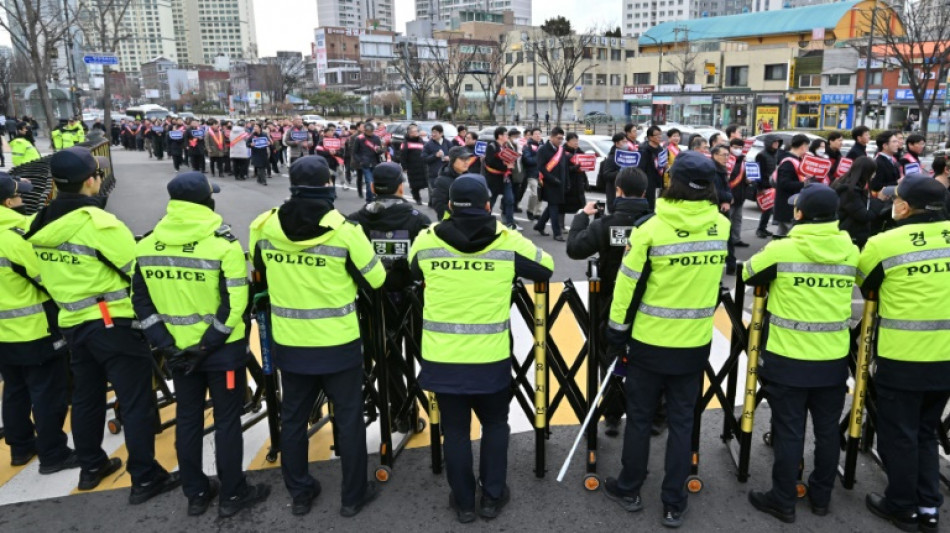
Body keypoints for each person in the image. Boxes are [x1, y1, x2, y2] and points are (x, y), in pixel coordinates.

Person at [25, 147, 181, 503]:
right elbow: (136, 272)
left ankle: (91, 466)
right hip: (114, 325)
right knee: (137, 402)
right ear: (91, 181)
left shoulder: (42, 222)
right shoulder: (100, 224)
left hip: (73, 323)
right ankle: (144, 477)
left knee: (87, 399)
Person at [409, 173, 554, 523]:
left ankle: (462, 502)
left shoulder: (427, 241)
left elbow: (409, 272)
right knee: (495, 424)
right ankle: (491, 497)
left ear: (447, 207)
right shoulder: (506, 241)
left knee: (455, 431)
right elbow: (545, 269)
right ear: (489, 205)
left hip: (442, 355)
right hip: (489, 356)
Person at [249, 156, 386, 518]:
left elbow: (259, 268)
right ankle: (352, 496)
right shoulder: (343, 231)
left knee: (292, 419)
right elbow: (377, 278)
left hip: (291, 343)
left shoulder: (263, 227)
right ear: (328, 183)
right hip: (338, 344)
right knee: (349, 417)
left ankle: (300, 493)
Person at [603, 151, 729, 528]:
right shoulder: (720, 226)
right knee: (681, 421)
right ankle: (674, 501)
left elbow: (626, 288)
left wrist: (615, 334)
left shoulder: (650, 229)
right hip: (694, 343)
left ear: (670, 182)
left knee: (639, 417)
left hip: (649, 343)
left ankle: (630, 486)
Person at [132, 172, 270, 518]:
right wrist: (207, 344)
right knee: (226, 421)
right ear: (207, 202)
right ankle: (233, 494)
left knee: (188, 418)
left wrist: (167, 345)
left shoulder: (146, 245)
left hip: (177, 354)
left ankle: (195, 493)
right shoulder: (222, 244)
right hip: (220, 353)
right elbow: (237, 304)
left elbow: (141, 304)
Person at [743, 184, 859, 524]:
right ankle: (821, 497)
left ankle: (783, 500)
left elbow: (749, 273)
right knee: (827, 432)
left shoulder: (782, 249)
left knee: (790, 431)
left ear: (799, 214)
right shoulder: (850, 250)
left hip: (787, 358)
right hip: (833, 359)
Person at [858, 175, 950, 533]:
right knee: (926, 431)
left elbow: (865, 283)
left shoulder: (884, 243)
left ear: (905, 206)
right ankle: (929, 507)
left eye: (896, 198)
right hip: (946, 358)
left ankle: (901, 506)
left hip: (904, 357)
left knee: (900, 433)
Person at [0, 174, 77, 474]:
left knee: (15, 388)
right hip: (33, 329)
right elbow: (47, 279)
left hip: (3, 334)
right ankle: (53, 453)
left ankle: (21, 447)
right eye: (20, 198)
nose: (24, 202)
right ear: (8, 202)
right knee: (47, 392)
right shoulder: (14, 238)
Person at [566, 167, 652, 437]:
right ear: (645, 193)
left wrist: (582, 216)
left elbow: (575, 248)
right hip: (648, 300)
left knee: (610, 357)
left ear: (618, 191)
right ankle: (653, 414)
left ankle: (612, 415)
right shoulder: (654, 224)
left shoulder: (606, 224)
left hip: (609, 300)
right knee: (648, 358)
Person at [347, 162, 432, 428]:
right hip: (411, 298)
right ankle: (427, 408)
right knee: (418, 352)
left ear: (372, 187)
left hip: (371, 298)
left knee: (385, 355)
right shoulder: (418, 220)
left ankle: (399, 411)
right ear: (401, 187)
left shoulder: (354, 221)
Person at [831, 156, 881, 248]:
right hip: (850, 236)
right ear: (867, 172)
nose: (874, 175)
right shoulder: (850, 191)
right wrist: (879, 200)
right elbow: (864, 215)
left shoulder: (847, 184)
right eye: (873, 172)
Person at [534, 126, 568, 242]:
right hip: (549, 183)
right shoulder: (543, 149)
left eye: (562, 139)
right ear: (551, 137)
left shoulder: (561, 150)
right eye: (558, 138)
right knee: (554, 207)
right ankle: (557, 233)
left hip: (560, 183)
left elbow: (565, 168)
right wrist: (552, 179)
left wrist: (566, 182)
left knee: (552, 207)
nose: (560, 141)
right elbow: (541, 167)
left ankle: (540, 225)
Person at [774, 134, 811, 237]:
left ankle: (774, 252)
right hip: (788, 205)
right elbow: (784, 183)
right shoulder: (788, 162)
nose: (807, 150)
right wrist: (804, 184)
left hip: (790, 204)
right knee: (790, 235)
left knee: (781, 235)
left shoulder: (795, 159)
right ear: (803, 146)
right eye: (807, 147)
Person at [483, 126, 519, 230]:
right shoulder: (492, 146)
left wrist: (511, 163)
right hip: (494, 178)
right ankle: (485, 220)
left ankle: (510, 222)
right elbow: (490, 162)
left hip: (505, 178)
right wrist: (505, 166)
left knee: (510, 200)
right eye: (506, 134)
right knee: (491, 200)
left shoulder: (506, 146)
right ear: (500, 136)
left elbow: (510, 159)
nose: (507, 136)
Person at [711, 145, 737, 274]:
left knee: (728, 235)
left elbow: (726, 188)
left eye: (728, 155)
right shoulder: (712, 169)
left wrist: (729, 198)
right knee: (722, 236)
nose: (726, 158)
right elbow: (715, 190)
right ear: (715, 155)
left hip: (723, 205)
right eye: (724, 155)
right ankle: (729, 263)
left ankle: (731, 263)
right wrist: (727, 198)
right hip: (716, 207)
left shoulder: (721, 168)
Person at [432, 146, 476, 221]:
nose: (466, 162)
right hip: (451, 222)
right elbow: (439, 207)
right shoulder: (442, 180)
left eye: (468, 159)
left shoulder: (470, 177)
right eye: (462, 159)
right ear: (452, 160)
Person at [755, 135, 782, 238]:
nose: (777, 144)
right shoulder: (761, 155)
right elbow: (759, 172)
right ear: (769, 143)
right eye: (774, 142)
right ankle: (760, 229)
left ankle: (763, 228)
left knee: (769, 209)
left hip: (773, 184)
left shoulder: (775, 154)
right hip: (765, 185)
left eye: (778, 142)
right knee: (766, 208)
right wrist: (760, 187)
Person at [422, 125, 452, 207]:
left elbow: (455, 155)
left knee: (445, 194)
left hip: (446, 173)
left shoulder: (448, 143)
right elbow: (424, 158)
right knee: (434, 193)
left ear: (441, 133)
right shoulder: (428, 145)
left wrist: (449, 158)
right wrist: (435, 155)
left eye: (435, 132)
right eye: (432, 132)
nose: (433, 134)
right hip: (433, 174)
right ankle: (432, 204)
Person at [399, 124, 429, 205]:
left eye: (417, 131)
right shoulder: (405, 143)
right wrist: (404, 167)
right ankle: (417, 198)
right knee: (415, 185)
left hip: (422, 166)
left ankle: (431, 201)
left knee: (427, 183)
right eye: (415, 131)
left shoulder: (421, 141)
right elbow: (402, 156)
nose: (417, 133)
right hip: (412, 167)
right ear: (410, 133)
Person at [355, 122, 384, 203]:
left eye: (371, 131)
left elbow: (379, 150)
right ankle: (369, 200)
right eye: (368, 131)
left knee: (375, 182)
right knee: (369, 182)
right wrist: (360, 161)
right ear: (365, 131)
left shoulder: (376, 138)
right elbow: (355, 152)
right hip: (365, 163)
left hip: (375, 162)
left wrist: (380, 150)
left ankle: (372, 196)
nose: (370, 132)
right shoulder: (359, 138)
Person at [599, 134, 627, 214]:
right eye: (623, 141)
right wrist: (621, 172)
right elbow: (607, 174)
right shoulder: (612, 157)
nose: (625, 143)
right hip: (614, 190)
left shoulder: (627, 155)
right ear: (617, 143)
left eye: (626, 141)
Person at [638, 125, 664, 209]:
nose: (659, 137)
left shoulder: (660, 149)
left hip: (658, 181)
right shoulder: (644, 150)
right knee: (649, 206)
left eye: (660, 134)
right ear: (650, 137)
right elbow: (641, 169)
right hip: (648, 183)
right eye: (657, 135)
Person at [522, 128, 543, 220]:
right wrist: (538, 157)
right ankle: (530, 210)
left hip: (542, 174)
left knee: (541, 194)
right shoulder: (527, 146)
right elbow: (527, 160)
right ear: (532, 135)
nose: (538, 136)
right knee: (534, 194)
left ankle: (537, 212)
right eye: (536, 134)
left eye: (539, 134)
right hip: (531, 173)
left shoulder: (543, 145)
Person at [507, 129, 527, 214]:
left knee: (516, 191)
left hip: (518, 170)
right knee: (510, 194)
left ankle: (513, 208)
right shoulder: (507, 145)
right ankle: (507, 211)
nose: (517, 139)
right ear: (510, 137)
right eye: (515, 137)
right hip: (510, 172)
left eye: (518, 137)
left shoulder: (518, 145)